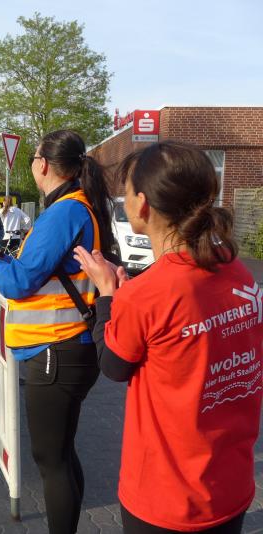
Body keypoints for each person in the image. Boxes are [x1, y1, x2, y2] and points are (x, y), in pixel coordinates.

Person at [74, 141, 262, 534]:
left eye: (126, 191)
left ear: (142, 205)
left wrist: (107, 297)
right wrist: (128, 300)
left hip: (166, 499)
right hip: (230, 486)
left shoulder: (147, 295)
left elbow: (114, 365)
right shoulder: (236, 270)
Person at [0, 130, 116, 534]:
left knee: (51, 460)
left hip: (56, 350)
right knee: (61, 454)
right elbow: (40, 271)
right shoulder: (78, 206)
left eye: (33, 159)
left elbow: (19, 282)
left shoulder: (64, 212)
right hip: (67, 347)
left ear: (42, 164)